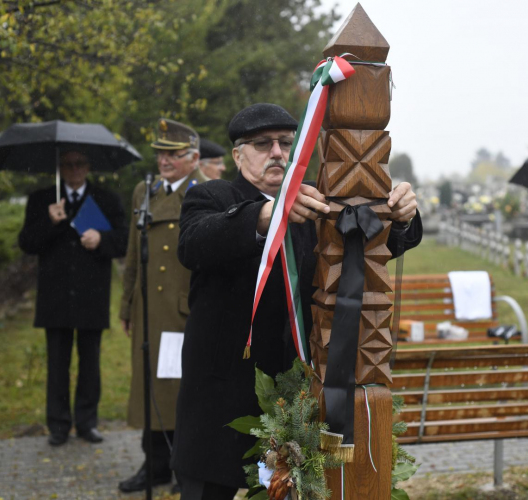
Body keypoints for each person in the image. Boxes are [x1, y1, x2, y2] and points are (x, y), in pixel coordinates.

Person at [170, 103, 423, 499]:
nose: (276, 152)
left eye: (286, 143)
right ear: (237, 155)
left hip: (294, 394)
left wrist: (401, 216)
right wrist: (264, 215)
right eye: (262, 144)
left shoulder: (315, 203)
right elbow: (194, 243)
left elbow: (369, 246)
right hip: (221, 396)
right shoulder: (211, 195)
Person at [118, 119, 208, 493]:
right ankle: (153, 465)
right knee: (148, 387)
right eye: (160, 153)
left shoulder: (204, 192)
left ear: (194, 157)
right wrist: (126, 305)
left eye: (173, 154)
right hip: (148, 309)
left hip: (181, 311)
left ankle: (183, 466)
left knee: (178, 391)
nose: (164, 161)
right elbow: (131, 254)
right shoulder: (146, 191)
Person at [18, 149, 128, 446]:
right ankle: (57, 424)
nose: (74, 169)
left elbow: (124, 240)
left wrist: (101, 239)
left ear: (88, 166)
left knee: (90, 363)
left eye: (80, 164)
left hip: (92, 295)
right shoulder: (42, 200)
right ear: (60, 168)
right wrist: (50, 222)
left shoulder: (106, 199)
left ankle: (87, 422)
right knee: (57, 363)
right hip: (55, 296)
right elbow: (27, 242)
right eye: (68, 164)